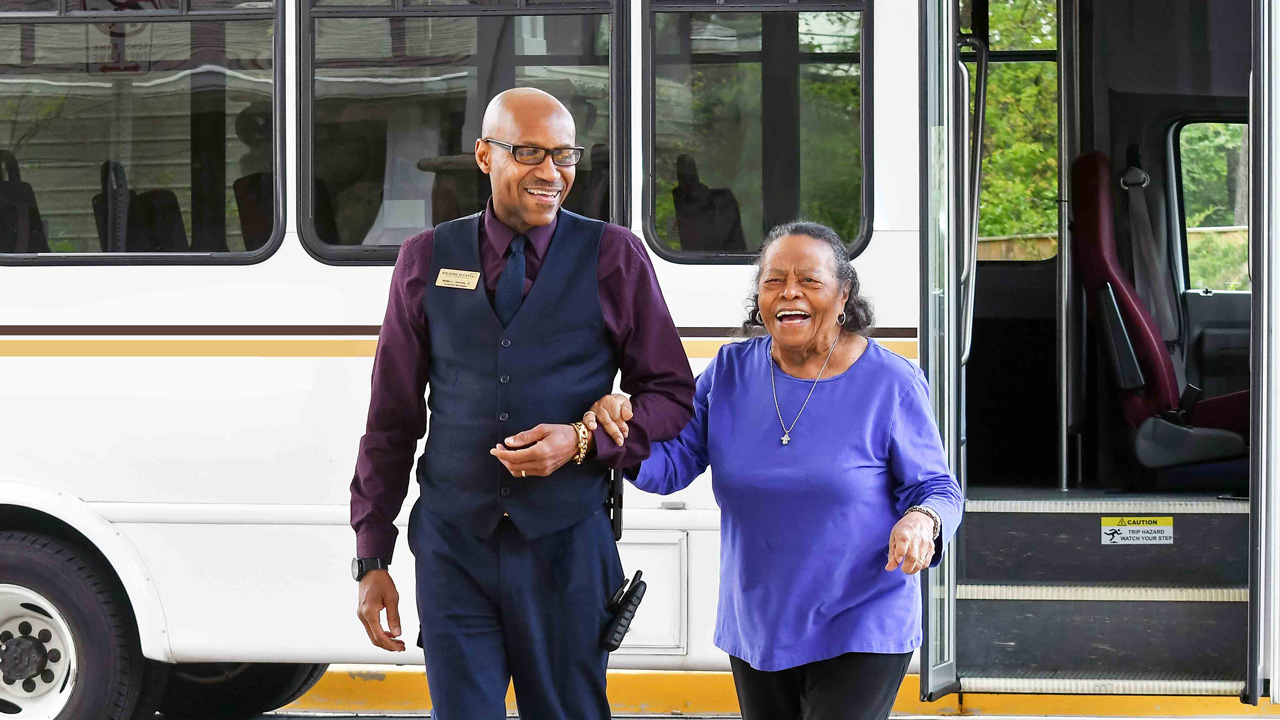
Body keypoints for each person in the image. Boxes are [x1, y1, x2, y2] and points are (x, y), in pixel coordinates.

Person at [348, 87, 695, 720]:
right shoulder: (425, 261)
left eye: (564, 155)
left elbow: (673, 396)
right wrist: (372, 555)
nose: (551, 172)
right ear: (484, 156)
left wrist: (587, 439)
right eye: (529, 152)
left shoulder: (614, 257)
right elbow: (391, 421)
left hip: (567, 547)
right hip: (455, 548)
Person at [586, 221, 963, 720]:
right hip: (759, 623)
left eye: (810, 280)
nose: (790, 292)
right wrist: (612, 437)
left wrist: (922, 521)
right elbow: (672, 465)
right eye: (773, 280)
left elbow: (937, 487)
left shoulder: (890, 381)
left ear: (843, 293)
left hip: (862, 617)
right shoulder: (729, 371)